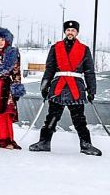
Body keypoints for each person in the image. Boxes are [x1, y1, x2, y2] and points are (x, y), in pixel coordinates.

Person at [30, 19, 101, 156]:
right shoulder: (55, 48)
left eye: (73, 30)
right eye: (68, 30)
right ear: (65, 32)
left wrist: (92, 90)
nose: (70, 32)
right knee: (52, 117)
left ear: (77, 33)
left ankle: (86, 144)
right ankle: (44, 142)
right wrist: (45, 85)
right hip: (58, 86)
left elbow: (89, 72)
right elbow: (49, 69)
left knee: (79, 119)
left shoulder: (84, 50)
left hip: (76, 87)